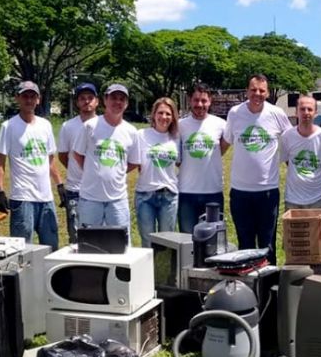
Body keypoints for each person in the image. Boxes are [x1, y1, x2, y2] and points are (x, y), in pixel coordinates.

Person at [221, 74, 291, 264]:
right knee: (245, 245)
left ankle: (268, 289)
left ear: (267, 93)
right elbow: (225, 143)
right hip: (240, 192)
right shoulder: (235, 113)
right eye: (253, 90)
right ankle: (249, 289)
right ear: (247, 91)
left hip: (267, 192)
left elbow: (291, 142)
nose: (257, 94)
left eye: (261, 90)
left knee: (267, 245)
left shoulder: (277, 114)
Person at [0, 80, 61, 249]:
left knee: (52, 247)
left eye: (33, 96)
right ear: (17, 98)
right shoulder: (8, 126)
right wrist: (0, 192)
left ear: (38, 99)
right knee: (22, 250)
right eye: (25, 96)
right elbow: (0, 162)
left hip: (46, 199)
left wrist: (60, 185)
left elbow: (50, 160)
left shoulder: (45, 125)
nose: (29, 100)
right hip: (22, 199)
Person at [73, 83, 138, 234]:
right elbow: (77, 154)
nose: (117, 102)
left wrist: (116, 171)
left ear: (127, 103)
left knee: (121, 245)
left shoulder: (131, 131)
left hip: (118, 199)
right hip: (90, 198)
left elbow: (134, 162)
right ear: (105, 100)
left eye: (122, 99)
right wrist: (93, 170)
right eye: (113, 98)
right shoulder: (90, 126)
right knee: (89, 244)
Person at [178, 83, 228, 233]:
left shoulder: (221, 124)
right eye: (196, 100)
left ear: (210, 101)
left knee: (213, 241)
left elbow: (222, 149)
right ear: (189, 100)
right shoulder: (180, 126)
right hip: (187, 192)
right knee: (187, 242)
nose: (200, 105)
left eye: (204, 101)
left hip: (213, 192)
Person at [131, 97, 180, 247]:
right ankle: (148, 271)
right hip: (146, 195)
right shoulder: (141, 135)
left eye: (168, 114)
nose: (164, 117)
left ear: (173, 117)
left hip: (169, 196)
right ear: (153, 115)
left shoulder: (176, 138)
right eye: (160, 113)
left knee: (167, 243)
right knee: (147, 242)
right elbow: (136, 163)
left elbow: (180, 163)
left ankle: (164, 271)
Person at [57, 82, 98, 244]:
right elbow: (62, 155)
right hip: (75, 189)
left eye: (90, 98)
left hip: (97, 189)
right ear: (77, 102)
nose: (86, 102)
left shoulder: (104, 124)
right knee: (76, 236)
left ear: (97, 101)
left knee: (98, 236)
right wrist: (78, 169)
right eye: (82, 98)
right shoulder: (68, 126)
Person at [280, 95, 321, 210]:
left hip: (318, 199)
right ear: (296, 112)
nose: (306, 112)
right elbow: (288, 162)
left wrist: (314, 175)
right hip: (293, 199)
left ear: (315, 113)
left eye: (310, 109)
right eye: (302, 109)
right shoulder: (287, 136)